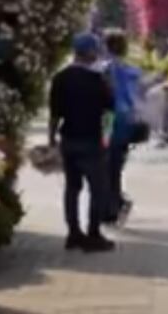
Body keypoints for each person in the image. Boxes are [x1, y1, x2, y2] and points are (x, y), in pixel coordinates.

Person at [48, 33, 116, 252]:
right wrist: (106, 140)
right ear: (92, 52)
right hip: (93, 142)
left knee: (72, 188)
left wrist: (51, 139)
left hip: (69, 140)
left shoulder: (60, 78)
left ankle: (74, 233)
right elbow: (109, 114)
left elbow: (54, 114)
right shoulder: (99, 80)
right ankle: (94, 235)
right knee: (98, 189)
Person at [101, 30, 146, 228]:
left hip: (109, 120)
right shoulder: (132, 70)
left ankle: (115, 205)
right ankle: (115, 204)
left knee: (106, 164)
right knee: (115, 165)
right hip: (128, 121)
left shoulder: (106, 69)